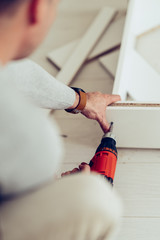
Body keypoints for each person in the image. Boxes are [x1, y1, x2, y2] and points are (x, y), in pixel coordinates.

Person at [0, 0, 122, 239]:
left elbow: (16, 73)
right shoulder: (27, 135)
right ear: (37, 8)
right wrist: (57, 188)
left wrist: (81, 100)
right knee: (96, 202)